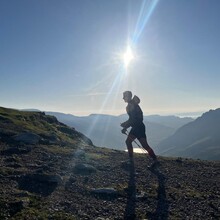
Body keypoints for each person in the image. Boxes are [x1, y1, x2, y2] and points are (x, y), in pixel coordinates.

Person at [121, 91, 158, 166]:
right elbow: (133, 119)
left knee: (144, 145)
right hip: (138, 127)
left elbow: (133, 119)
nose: (123, 98)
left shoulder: (131, 105)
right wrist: (125, 126)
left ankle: (155, 160)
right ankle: (131, 160)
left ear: (128, 97)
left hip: (138, 128)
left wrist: (125, 126)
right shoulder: (132, 105)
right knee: (129, 142)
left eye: (124, 96)